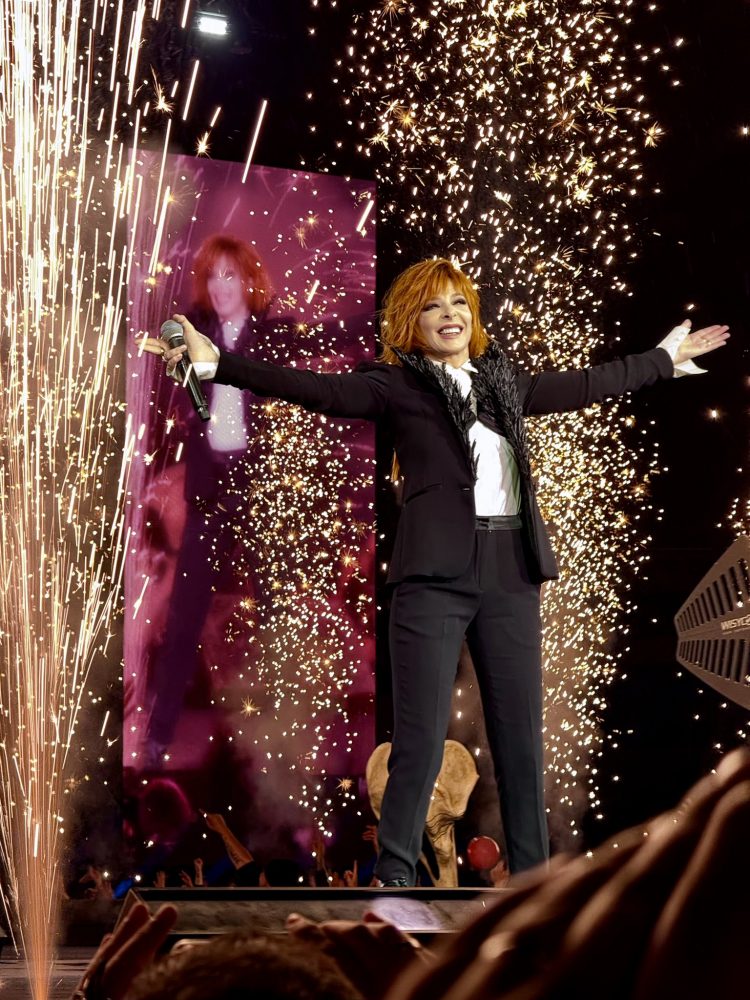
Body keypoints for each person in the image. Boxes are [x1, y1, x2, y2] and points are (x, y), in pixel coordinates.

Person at [139, 257, 729, 886]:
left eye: (458, 304)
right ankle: (397, 875)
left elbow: (584, 384)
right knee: (418, 741)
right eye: (432, 306)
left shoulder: (504, 383)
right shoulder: (396, 385)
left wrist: (661, 361)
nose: (449, 315)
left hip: (511, 573)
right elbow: (317, 387)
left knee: (520, 744)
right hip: (432, 578)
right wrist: (218, 363)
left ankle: (530, 881)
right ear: (410, 322)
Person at [142, 234, 279, 769]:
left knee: (271, 611)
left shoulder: (273, 337)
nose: (221, 287)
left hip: (260, 493)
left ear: (248, 280)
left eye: (231, 275)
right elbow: (178, 404)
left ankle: (275, 737)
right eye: (213, 276)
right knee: (184, 616)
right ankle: (158, 737)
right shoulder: (194, 335)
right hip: (208, 491)